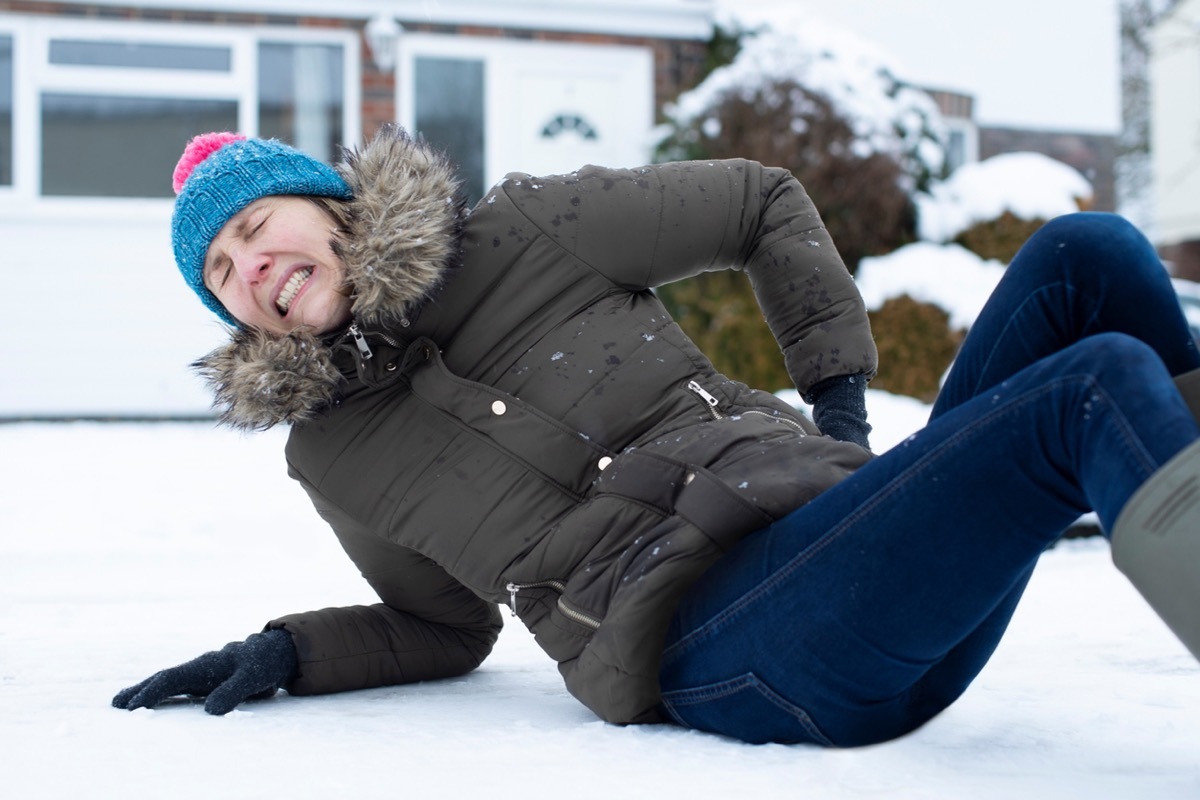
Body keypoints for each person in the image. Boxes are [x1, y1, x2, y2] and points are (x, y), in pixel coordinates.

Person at [112, 126, 1200, 747]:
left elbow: (759, 204)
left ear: (328, 204)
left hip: (857, 548)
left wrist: (842, 416)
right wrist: (291, 651)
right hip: (726, 648)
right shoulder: (331, 451)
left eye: (255, 227)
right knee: (1089, 387)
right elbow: (438, 625)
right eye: (220, 273)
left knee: (1086, 254)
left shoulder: (523, 232)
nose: (248, 267)